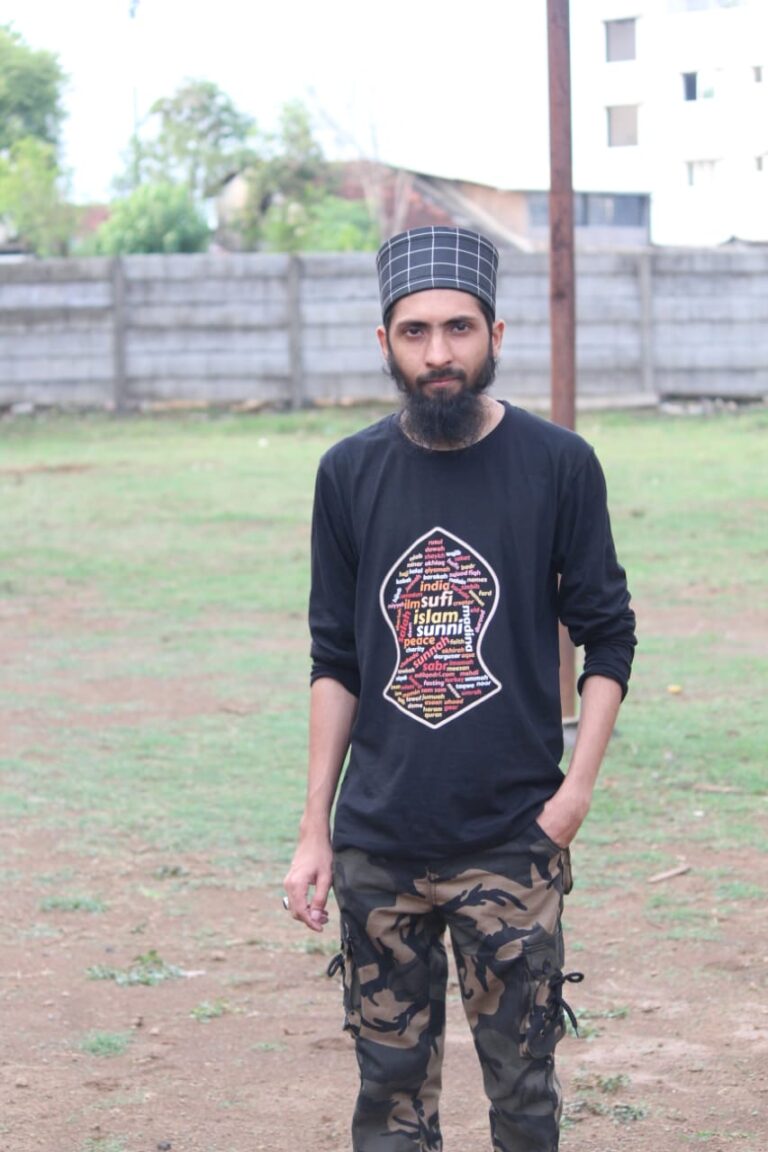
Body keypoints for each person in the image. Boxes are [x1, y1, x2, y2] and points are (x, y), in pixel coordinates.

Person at [283, 225, 636, 1152]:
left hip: (512, 843)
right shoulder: (348, 473)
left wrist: (574, 796)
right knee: (389, 1102)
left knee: (524, 1095)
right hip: (378, 846)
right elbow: (336, 658)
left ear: (495, 334)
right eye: (415, 332)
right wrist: (316, 828)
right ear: (385, 343)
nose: (438, 352)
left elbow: (608, 634)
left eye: (459, 328)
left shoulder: (558, 464)